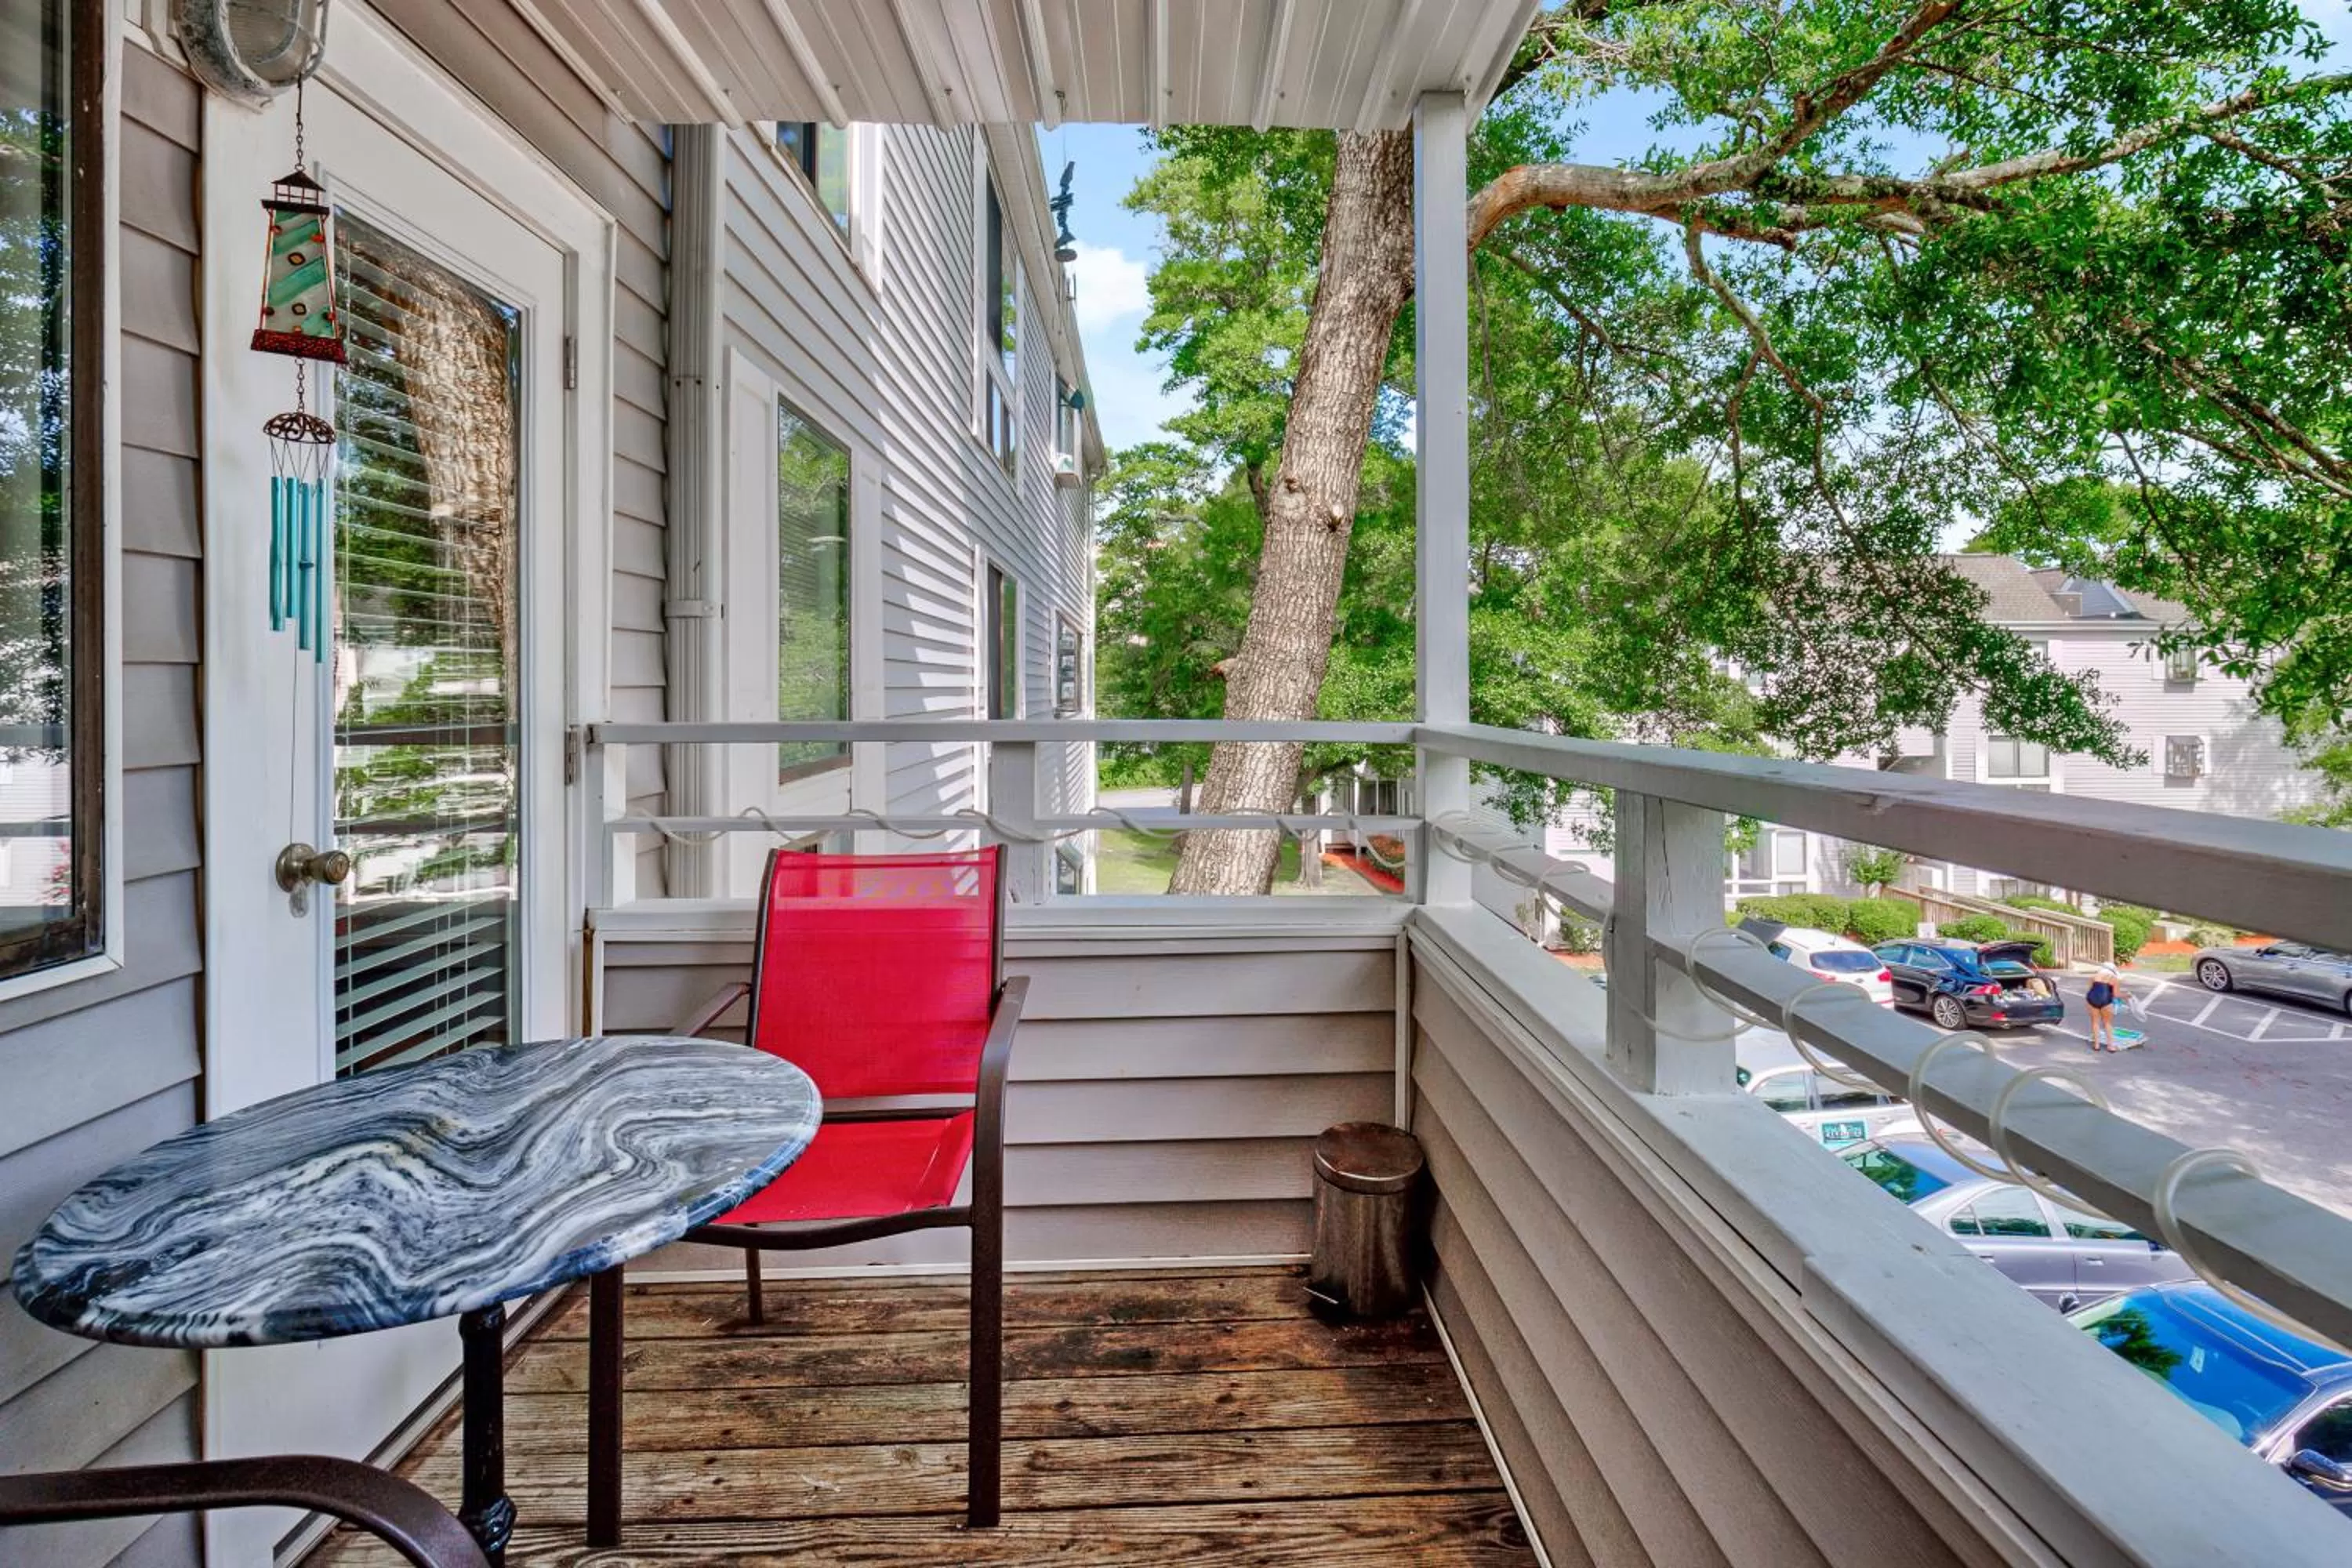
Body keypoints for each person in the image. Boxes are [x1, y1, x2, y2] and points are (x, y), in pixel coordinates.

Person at [2084, 964, 2122, 1051]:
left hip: (2092, 999)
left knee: (2095, 1022)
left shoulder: (2094, 977)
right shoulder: (2114, 979)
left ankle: (2097, 1045)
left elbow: (2090, 990)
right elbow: (2116, 995)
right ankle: (2110, 1046)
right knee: (2107, 1023)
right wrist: (2128, 995)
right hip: (2106, 1000)